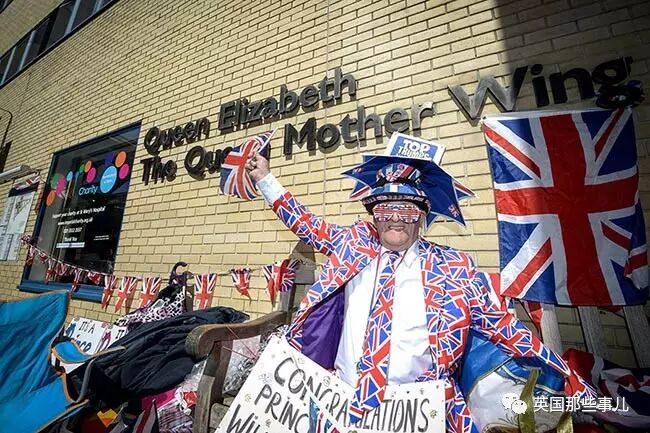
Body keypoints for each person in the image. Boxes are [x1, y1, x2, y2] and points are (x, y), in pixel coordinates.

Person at [245, 151, 596, 433]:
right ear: (373, 215)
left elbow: (504, 329)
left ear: (423, 216)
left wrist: (569, 377)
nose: (395, 218)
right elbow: (305, 224)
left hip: (419, 410)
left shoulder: (454, 267)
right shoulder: (352, 243)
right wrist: (264, 178)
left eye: (407, 210)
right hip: (341, 401)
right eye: (385, 209)